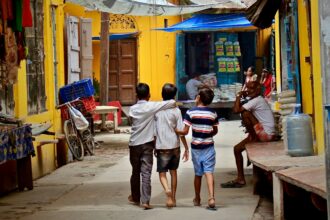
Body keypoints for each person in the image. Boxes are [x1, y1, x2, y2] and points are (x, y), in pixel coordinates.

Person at [128, 83, 176, 210]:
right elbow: (172, 103)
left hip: (134, 144)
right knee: (146, 173)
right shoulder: (152, 106)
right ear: (149, 95)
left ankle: (135, 197)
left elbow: (131, 120)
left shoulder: (132, 109)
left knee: (135, 171)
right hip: (147, 145)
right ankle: (146, 201)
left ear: (136, 95)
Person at [221, 81, 276, 188]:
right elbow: (236, 109)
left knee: (245, 113)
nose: (249, 91)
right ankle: (240, 179)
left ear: (258, 90)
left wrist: (238, 96)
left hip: (265, 135)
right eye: (248, 88)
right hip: (263, 132)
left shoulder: (257, 100)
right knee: (237, 149)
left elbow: (236, 110)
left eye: (252, 88)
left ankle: (253, 138)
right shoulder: (255, 100)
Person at [176, 85, 219, 209]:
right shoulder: (213, 113)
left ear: (198, 98)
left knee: (198, 174)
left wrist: (175, 130)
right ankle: (211, 198)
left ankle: (197, 198)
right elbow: (215, 130)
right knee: (209, 172)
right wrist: (208, 134)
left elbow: (184, 132)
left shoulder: (191, 112)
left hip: (196, 149)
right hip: (209, 147)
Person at [154, 83, 189, 208]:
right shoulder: (176, 111)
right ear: (174, 96)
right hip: (174, 146)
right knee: (173, 172)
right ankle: (173, 198)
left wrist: (154, 146)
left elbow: (154, 132)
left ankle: (167, 190)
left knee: (162, 173)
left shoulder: (156, 111)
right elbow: (181, 131)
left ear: (162, 95)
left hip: (161, 146)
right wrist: (186, 147)